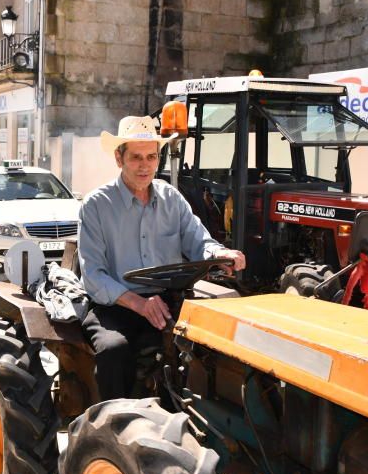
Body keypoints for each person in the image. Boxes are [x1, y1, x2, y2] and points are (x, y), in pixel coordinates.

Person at [78, 115, 246, 400]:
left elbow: (198, 240)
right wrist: (139, 304)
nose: (145, 165)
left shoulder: (172, 198)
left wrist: (219, 253)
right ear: (119, 159)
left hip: (169, 300)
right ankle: (111, 427)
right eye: (136, 157)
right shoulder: (96, 205)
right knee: (113, 349)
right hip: (118, 305)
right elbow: (93, 276)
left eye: (152, 157)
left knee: (224, 339)